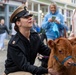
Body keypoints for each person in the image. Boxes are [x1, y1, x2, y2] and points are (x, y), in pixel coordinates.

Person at [4, 5, 59, 75]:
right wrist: (47, 70)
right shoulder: (14, 43)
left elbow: (46, 51)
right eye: (26, 17)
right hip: (14, 71)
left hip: (27, 69)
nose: (30, 18)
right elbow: (25, 66)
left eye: (30, 16)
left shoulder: (34, 36)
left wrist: (60, 51)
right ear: (18, 23)